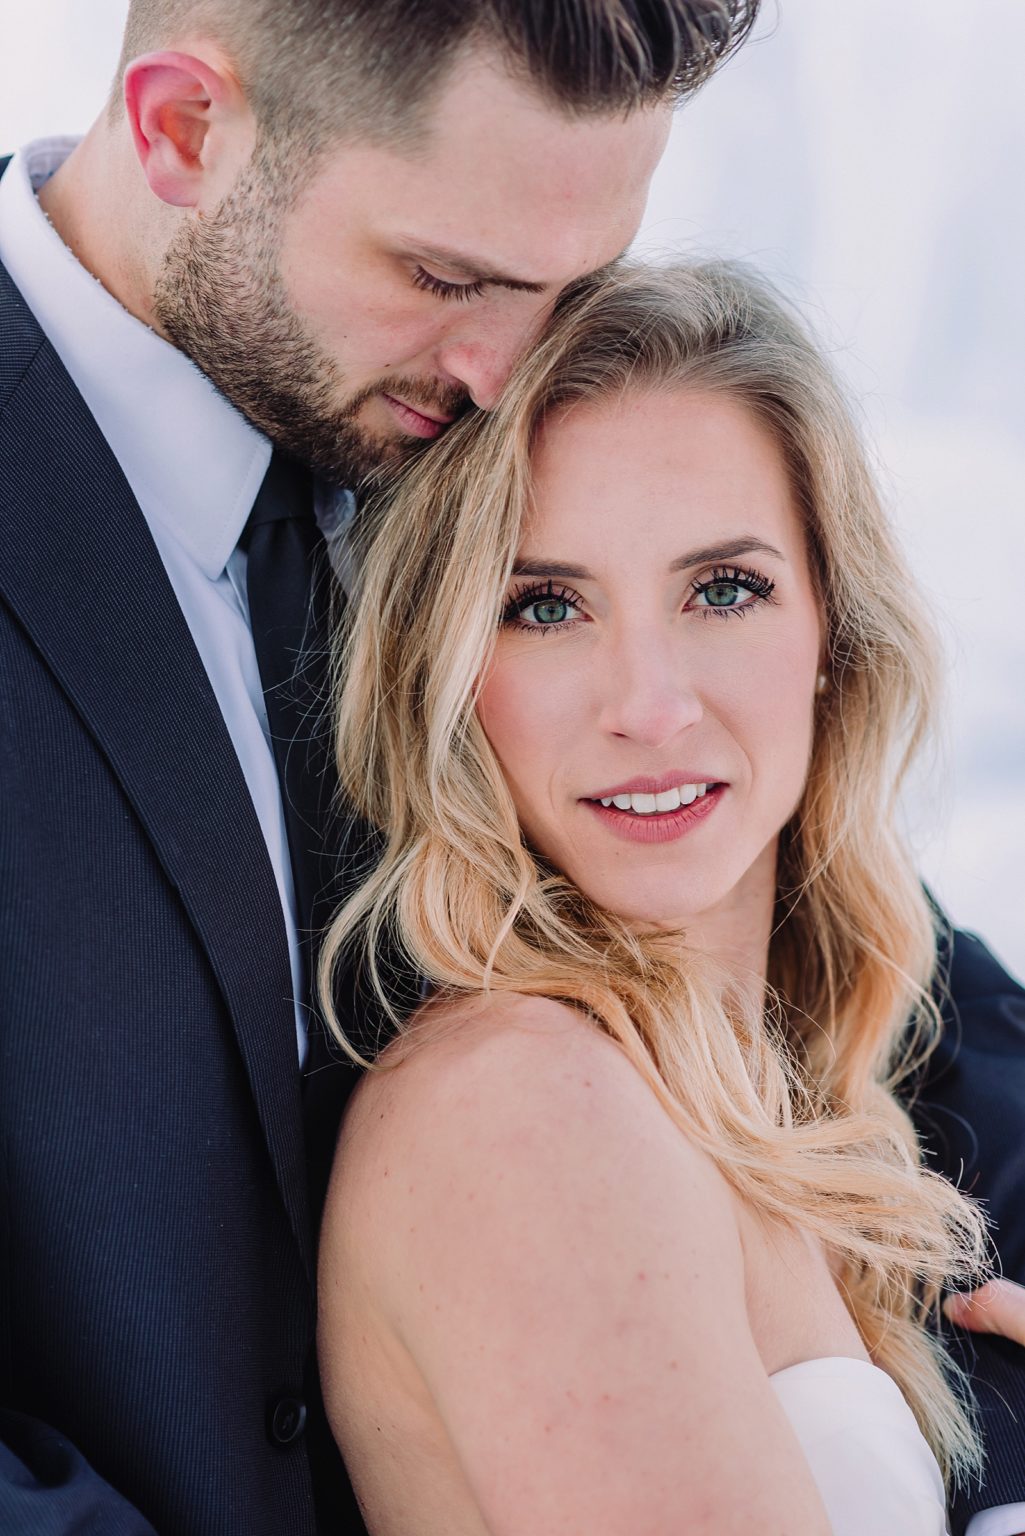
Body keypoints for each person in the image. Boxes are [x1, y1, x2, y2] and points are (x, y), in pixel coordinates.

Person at [0, 4, 763, 1533]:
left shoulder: (470, 444)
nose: (501, 377)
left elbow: (840, 941)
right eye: (441, 278)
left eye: (572, 286)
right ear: (181, 129)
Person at [316, 261, 1025, 1534]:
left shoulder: (773, 1098)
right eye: (543, 606)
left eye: (722, 590)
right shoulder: (515, 1107)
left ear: (830, 636)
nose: (646, 705)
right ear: (449, 673)